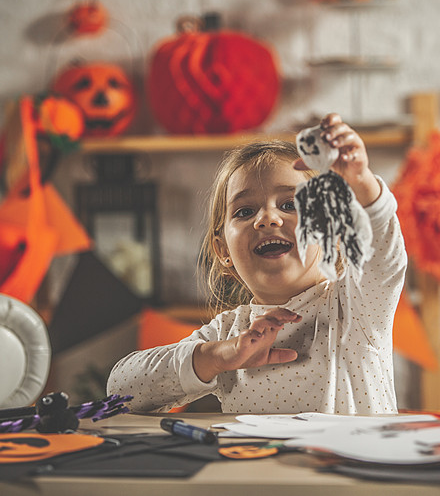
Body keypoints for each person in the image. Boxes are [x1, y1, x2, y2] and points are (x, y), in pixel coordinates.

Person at [106, 114, 407, 414]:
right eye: (245, 211)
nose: (268, 218)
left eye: (290, 205)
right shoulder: (229, 334)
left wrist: (362, 183)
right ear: (223, 250)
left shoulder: (355, 307)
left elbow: (384, 256)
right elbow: (120, 389)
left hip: (349, 463)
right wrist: (218, 357)